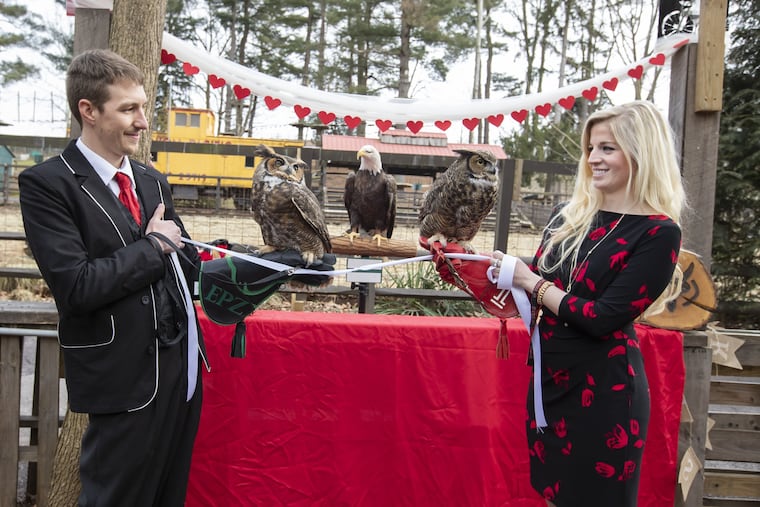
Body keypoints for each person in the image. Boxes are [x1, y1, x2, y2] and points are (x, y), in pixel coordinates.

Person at [19, 49, 205, 506]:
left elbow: (184, 264)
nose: (143, 121)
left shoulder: (151, 180)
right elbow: (77, 286)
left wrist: (250, 268)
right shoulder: (47, 185)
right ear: (89, 110)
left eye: (143, 107)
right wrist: (155, 246)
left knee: (167, 497)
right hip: (121, 382)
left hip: (179, 373)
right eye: (129, 109)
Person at [488, 100, 685, 506]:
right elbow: (542, 283)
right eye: (591, 148)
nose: (593, 158)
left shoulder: (659, 232)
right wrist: (481, 272)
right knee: (552, 498)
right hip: (550, 387)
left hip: (607, 397)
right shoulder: (567, 216)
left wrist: (530, 280)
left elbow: (603, 317)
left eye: (607, 148)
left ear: (640, 153)